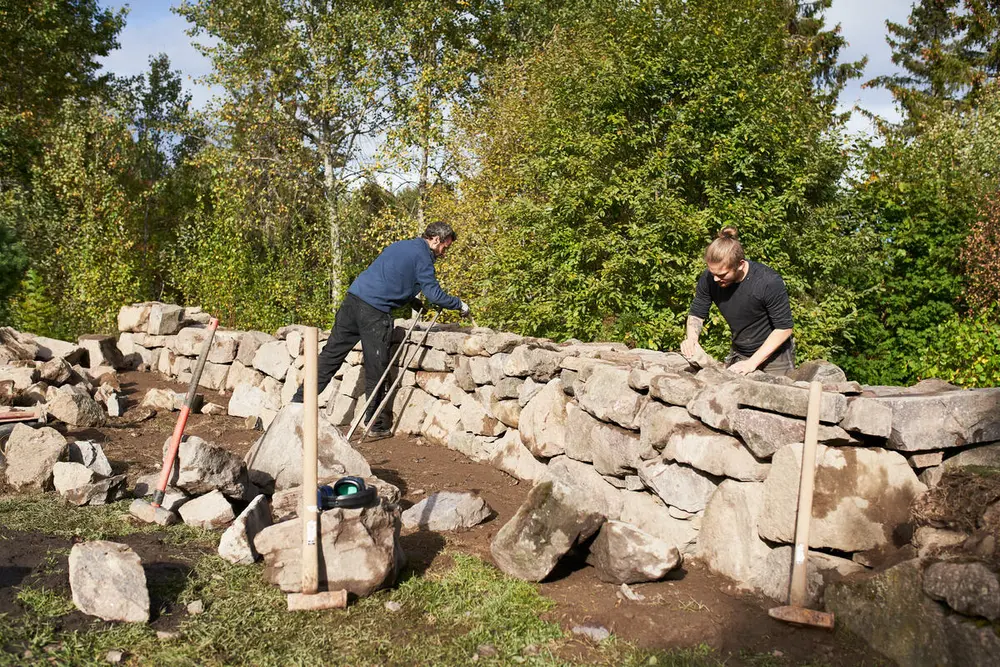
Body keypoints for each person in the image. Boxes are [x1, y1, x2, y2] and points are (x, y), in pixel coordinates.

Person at [292, 222, 470, 438]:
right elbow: (434, 294)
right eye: (445, 247)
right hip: (373, 313)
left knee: (330, 357)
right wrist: (459, 304)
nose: (445, 252)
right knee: (377, 368)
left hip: (352, 302)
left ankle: (296, 405)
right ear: (435, 240)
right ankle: (374, 424)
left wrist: (411, 301)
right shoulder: (423, 257)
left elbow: (389, 277)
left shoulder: (401, 246)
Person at [680, 227, 794, 376]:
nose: (715, 279)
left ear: (740, 264)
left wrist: (751, 363)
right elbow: (697, 313)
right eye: (712, 273)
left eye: (722, 274)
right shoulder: (709, 278)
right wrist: (692, 340)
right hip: (740, 351)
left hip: (775, 357)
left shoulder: (768, 282)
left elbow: (784, 328)